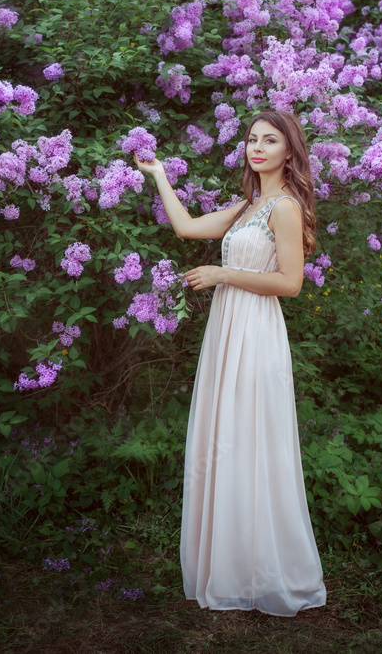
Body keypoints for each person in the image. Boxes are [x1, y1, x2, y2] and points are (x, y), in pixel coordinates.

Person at [134, 110, 327, 616]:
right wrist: (159, 175)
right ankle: (233, 565)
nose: (257, 147)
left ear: (290, 151)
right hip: (229, 328)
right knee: (226, 439)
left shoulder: (283, 207)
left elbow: (290, 283)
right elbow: (186, 228)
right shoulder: (249, 205)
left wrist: (224, 272)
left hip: (257, 330)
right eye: (251, 139)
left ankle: (264, 567)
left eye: (270, 140)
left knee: (249, 437)